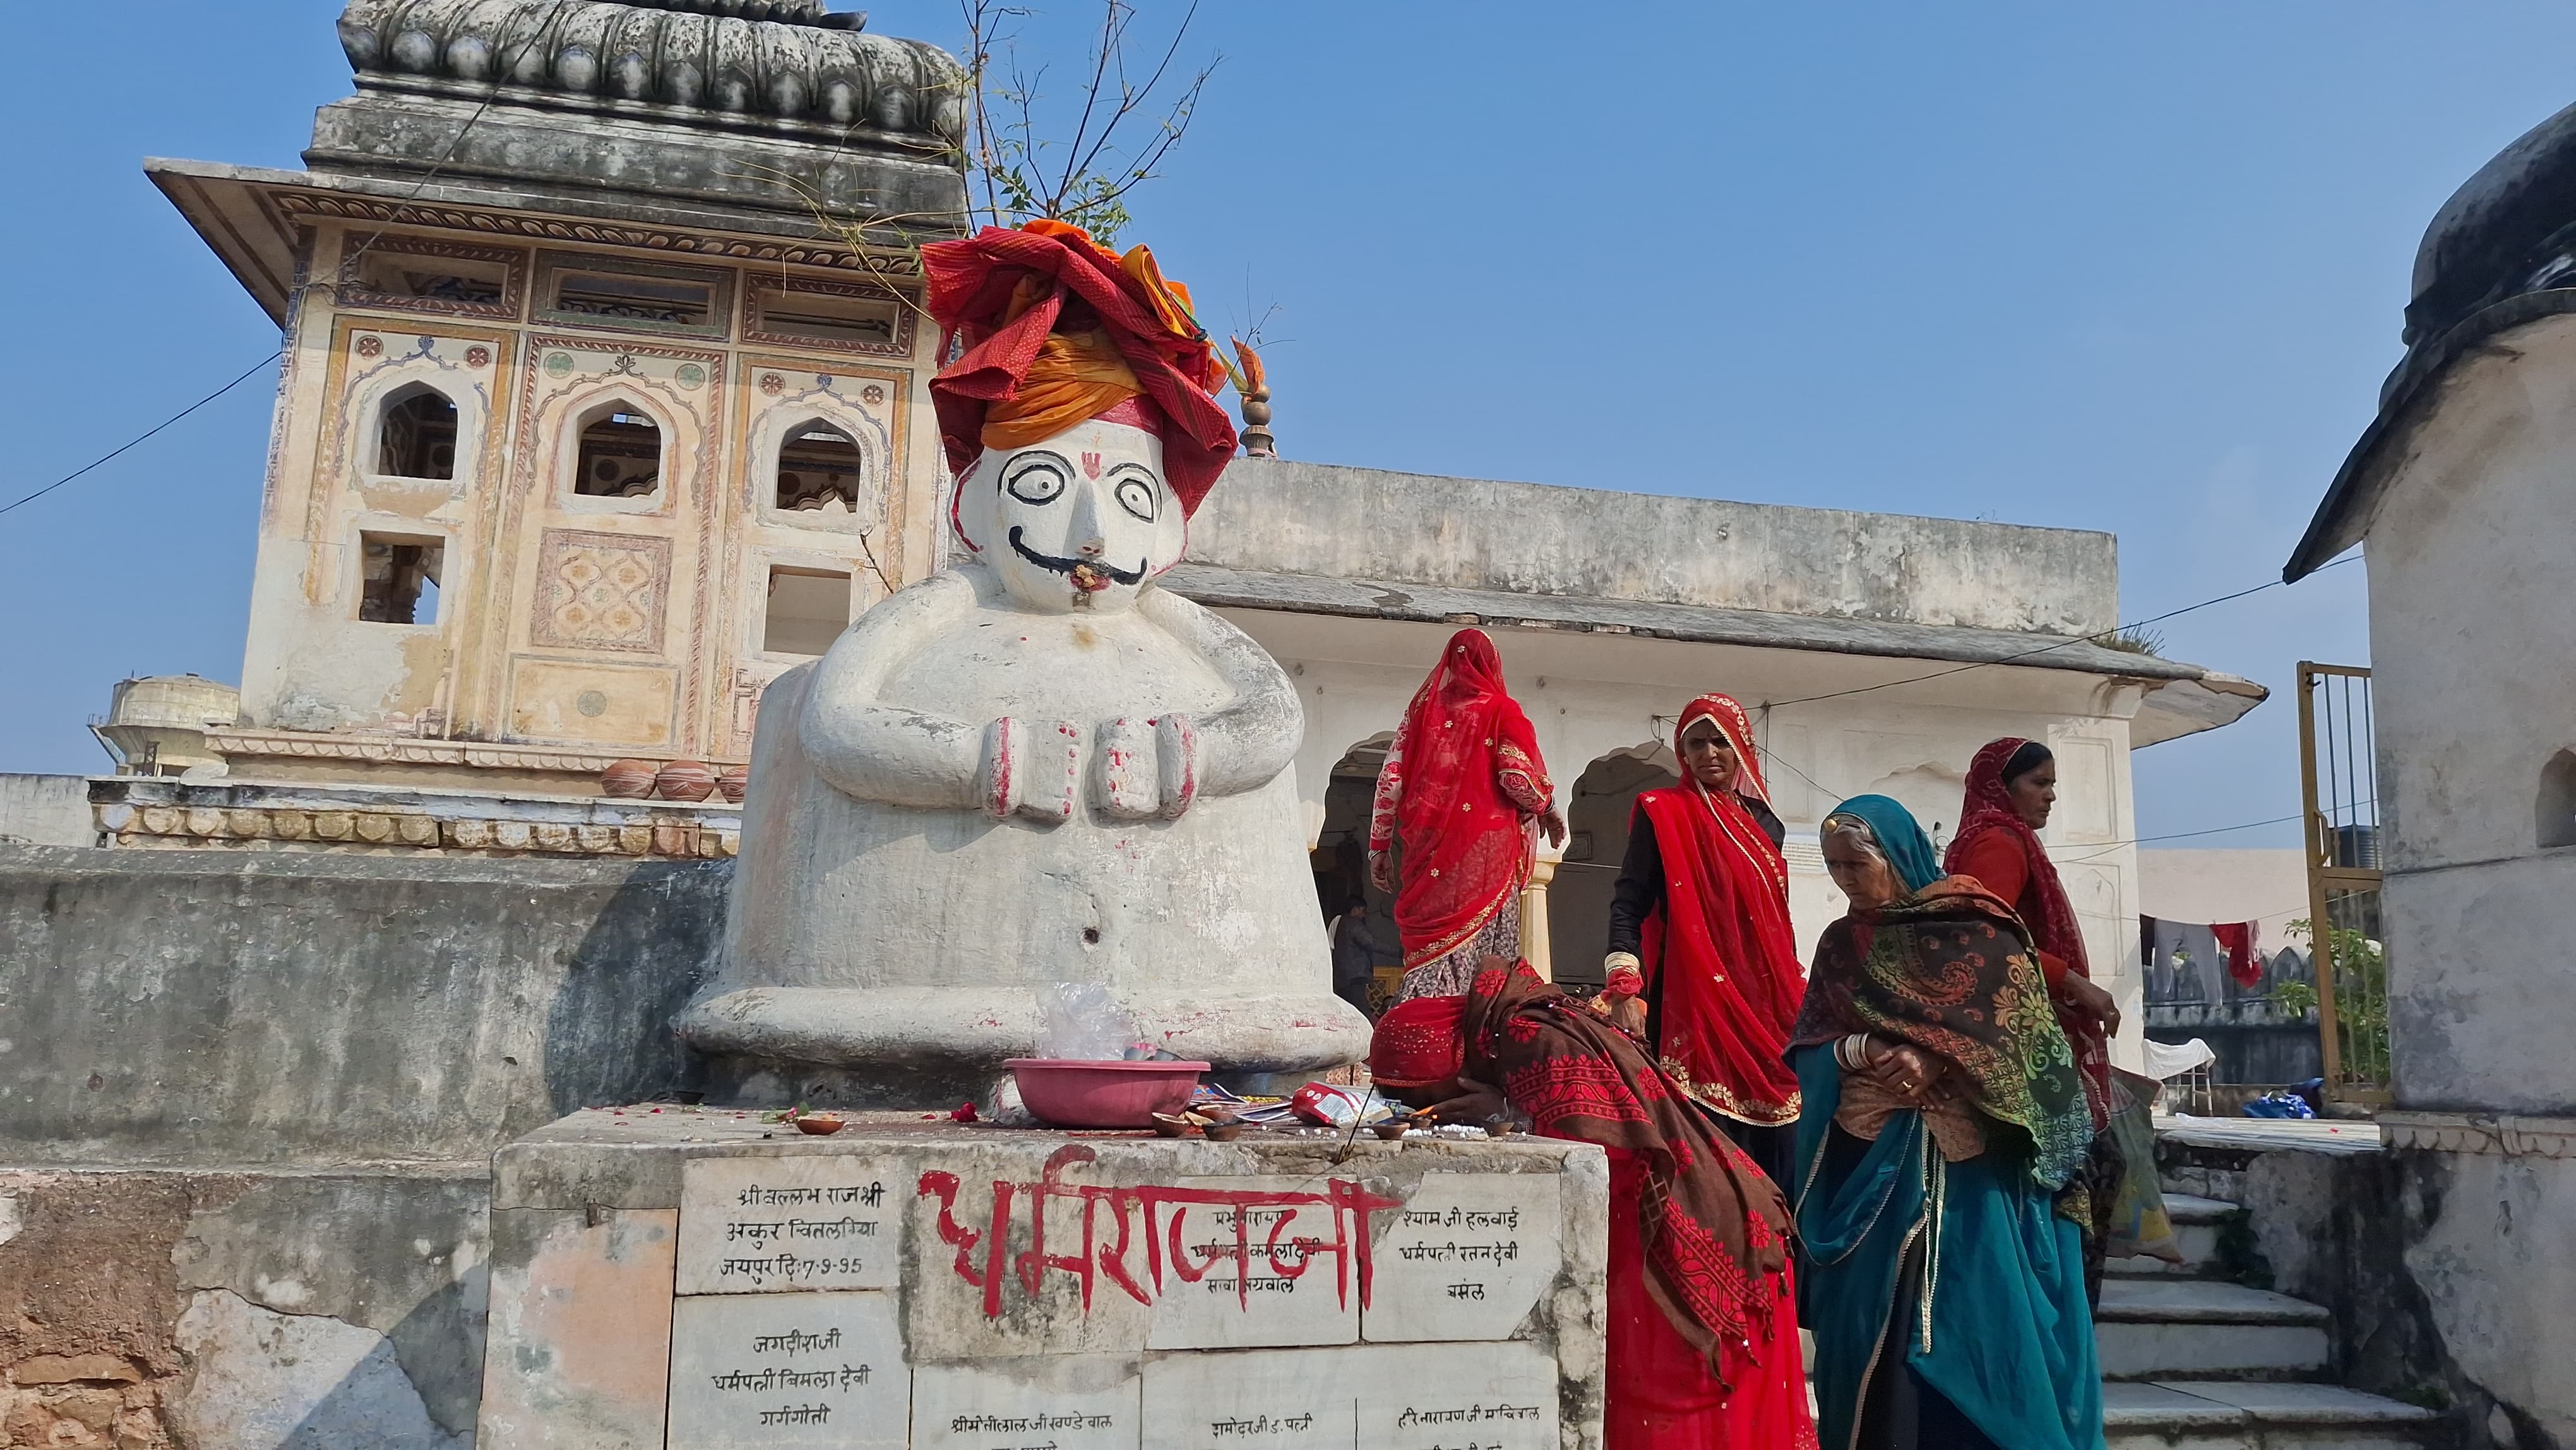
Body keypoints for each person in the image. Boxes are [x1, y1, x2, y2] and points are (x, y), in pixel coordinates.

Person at [1373, 959, 1816, 1450]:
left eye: (1421, 1097)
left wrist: (1507, 1116)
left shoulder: (1528, 1036)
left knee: (1675, 1410)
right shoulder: (1514, 1031)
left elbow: (1610, 1149)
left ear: (1448, 1064)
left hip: (1699, 1246)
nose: (1422, 1111)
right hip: (1709, 1223)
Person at [1792, 796, 2103, 1450]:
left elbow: (2027, 1046)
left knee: (1967, 1325)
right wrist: (1867, 1050)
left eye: (1857, 864)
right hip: (1866, 1158)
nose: (1847, 879)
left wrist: (1939, 1056)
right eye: (1834, 866)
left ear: (1898, 855)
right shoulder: (1842, 943)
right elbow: (1812, 1041)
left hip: (1966, 1178)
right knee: (1858, 1328)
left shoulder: (1979, 929)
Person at [1943, 738, 2135, 1297]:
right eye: (2039, 783)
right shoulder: (1999, 844)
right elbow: (1985, 935)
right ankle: (2062, 1322)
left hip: (2022, 1038)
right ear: (2003, 789)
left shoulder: (1999, 840)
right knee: (2081, 1176)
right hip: (2022, 1044)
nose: (2050, 797)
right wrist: (2074, 984)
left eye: (2052, 784)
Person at [1601, 693, 1804, 1185]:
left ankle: (1778, 1257)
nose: (1709, 753)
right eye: (1697, 743)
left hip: (1768, 1007)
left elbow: (1776, 920)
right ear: (1682, 753)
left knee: (1781, 1150)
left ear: (1741, 749)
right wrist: (1625, 988)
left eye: (1721, 742)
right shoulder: (1662, 813)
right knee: (1707, 1150)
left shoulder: (1767, 825)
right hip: (1692, 1000)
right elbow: (1629, 904)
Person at [1368, 630, 1567, 1001]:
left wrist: (1379, 849)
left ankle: (1422, 1025)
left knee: (1430, 953)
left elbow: (1390, 781)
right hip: (1484, 854)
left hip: (1427, 854)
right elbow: (1516, 776)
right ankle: (1478, 1033)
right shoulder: (1502, 711)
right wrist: (1550, 808)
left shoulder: (1421, 715)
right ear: (1493, 665)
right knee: (1485, 959)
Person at [1328, 897, 1379, 1016]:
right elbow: (1370, 943)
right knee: (1361, 1012)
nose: (1363, 915)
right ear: (1355, 910)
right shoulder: (1352, 923)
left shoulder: (1338, 922)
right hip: (1353, 977)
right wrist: (1398, 951)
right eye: (1362, 911)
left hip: (1342, 977)